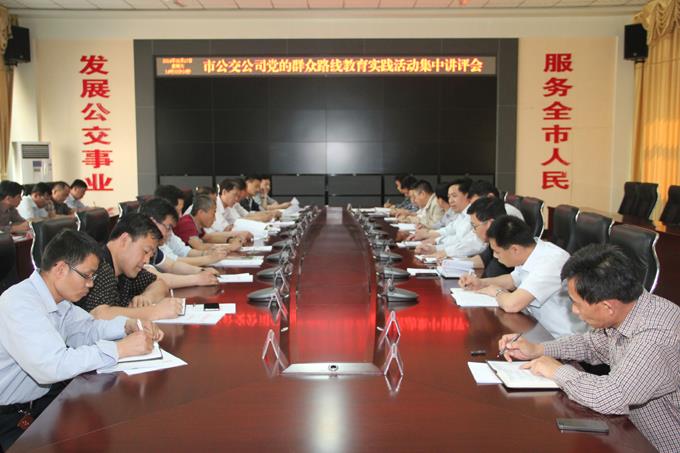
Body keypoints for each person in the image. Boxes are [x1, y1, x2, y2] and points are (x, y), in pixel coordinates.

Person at [499, 244, 680, 452]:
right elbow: (590, 345)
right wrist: (538, 349)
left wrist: (557, 371)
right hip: (628, 431)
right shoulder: (628, 309)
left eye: (577, 303)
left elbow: (611, 396)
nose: (574, 311)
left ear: (607, 306)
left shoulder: (656, 335)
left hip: (658, 444)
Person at [0, 229, 163, 450]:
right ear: (60, 269)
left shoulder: (59, 301)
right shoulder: (20, 303)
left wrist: (126, 325)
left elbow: (87, 330)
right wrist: (119, 349)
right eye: (87, 275)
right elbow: (52, 366)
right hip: (7, 419)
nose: (90, 284)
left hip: (37, 405)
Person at [459, 215, 586, 338]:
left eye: (497, 252)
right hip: (536, 326)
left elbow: (512, 305)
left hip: (562, 338)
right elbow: (513, 280)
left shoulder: (552, 261)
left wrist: (496, 292)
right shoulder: (530, 250)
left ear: (515, 250)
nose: (495, 257)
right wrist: (481, 283)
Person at [77, 213, 182, 321]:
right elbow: (99, 315)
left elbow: (160, 284)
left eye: (150, 256)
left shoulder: (126, 269)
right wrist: (154, 312)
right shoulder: (100, 266)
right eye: (145, 251)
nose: (146, 260)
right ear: (125, 240)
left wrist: (146, 298)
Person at [139, 198, 220, 289]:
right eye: (168, 227)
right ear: (153, 222)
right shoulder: (139, 245)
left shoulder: (154, 248)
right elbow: (156, 279)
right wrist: (197, 279)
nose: (170, 234)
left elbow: (172, 265)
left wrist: (201, 271)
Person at [412, 177, 485, 259]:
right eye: (449, 197)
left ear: (467, 196)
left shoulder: (474, 215)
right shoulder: (462, 214)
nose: (450, 200)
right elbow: (449, 230)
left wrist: (437, 247)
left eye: (454, 196)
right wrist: (432, 240)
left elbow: (468, 242)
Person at [466, 196, 513, 278]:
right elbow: (482, 260)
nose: (473, 231)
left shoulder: (506, 245)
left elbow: (492, 276)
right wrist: (451, 264)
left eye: (474, 226)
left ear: (490, 224)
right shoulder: (495, 239)